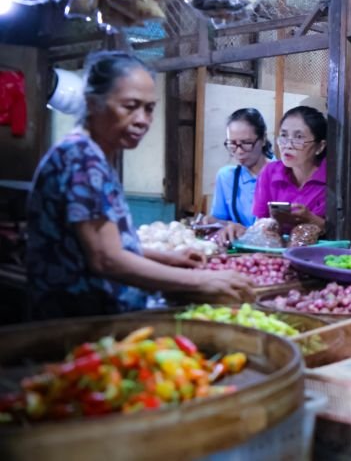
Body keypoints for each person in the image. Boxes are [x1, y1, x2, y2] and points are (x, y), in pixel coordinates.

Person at [26, 52, 253, 320]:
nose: (142, 119)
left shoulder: (93, 155)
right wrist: (201, 282)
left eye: (148, 108)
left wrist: (168, 258)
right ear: (91, 102)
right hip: (78, 322)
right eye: (130, 106)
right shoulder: (81, 159)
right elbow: (105, 258)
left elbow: (102, 243)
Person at [252, 105, 351, 242]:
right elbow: (260, 225)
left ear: (320, 146)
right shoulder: (269, 172)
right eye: (284, 135)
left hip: (326, 257)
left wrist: (314, 222)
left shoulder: (342, 178)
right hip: (280, 255)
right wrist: (273, 224)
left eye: (299, 137)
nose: (288, 145)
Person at [208, 108, 273, 244]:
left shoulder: (283, 175)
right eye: (232, 144)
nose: (239, 151)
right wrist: (223, 225)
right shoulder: (226, 177)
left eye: (246, 143)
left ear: (263, 139)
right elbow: (217, 220)